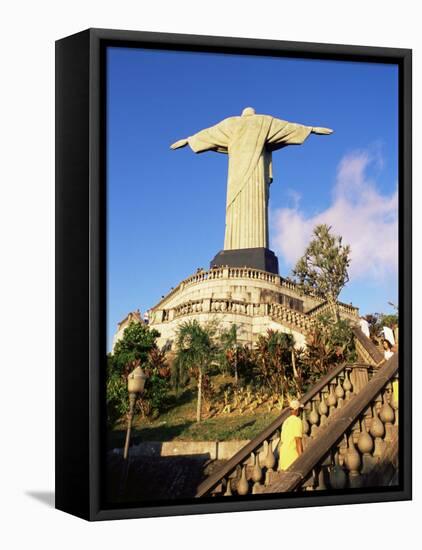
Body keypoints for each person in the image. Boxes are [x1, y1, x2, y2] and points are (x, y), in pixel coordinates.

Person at [278, 399, 304, 471]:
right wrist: (302, 459)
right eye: (300, 410)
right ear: (297, 410)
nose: (301, 412)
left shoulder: (286, 421)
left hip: (283, 457)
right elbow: (298, 441)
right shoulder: (297, 421)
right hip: (292, 457)